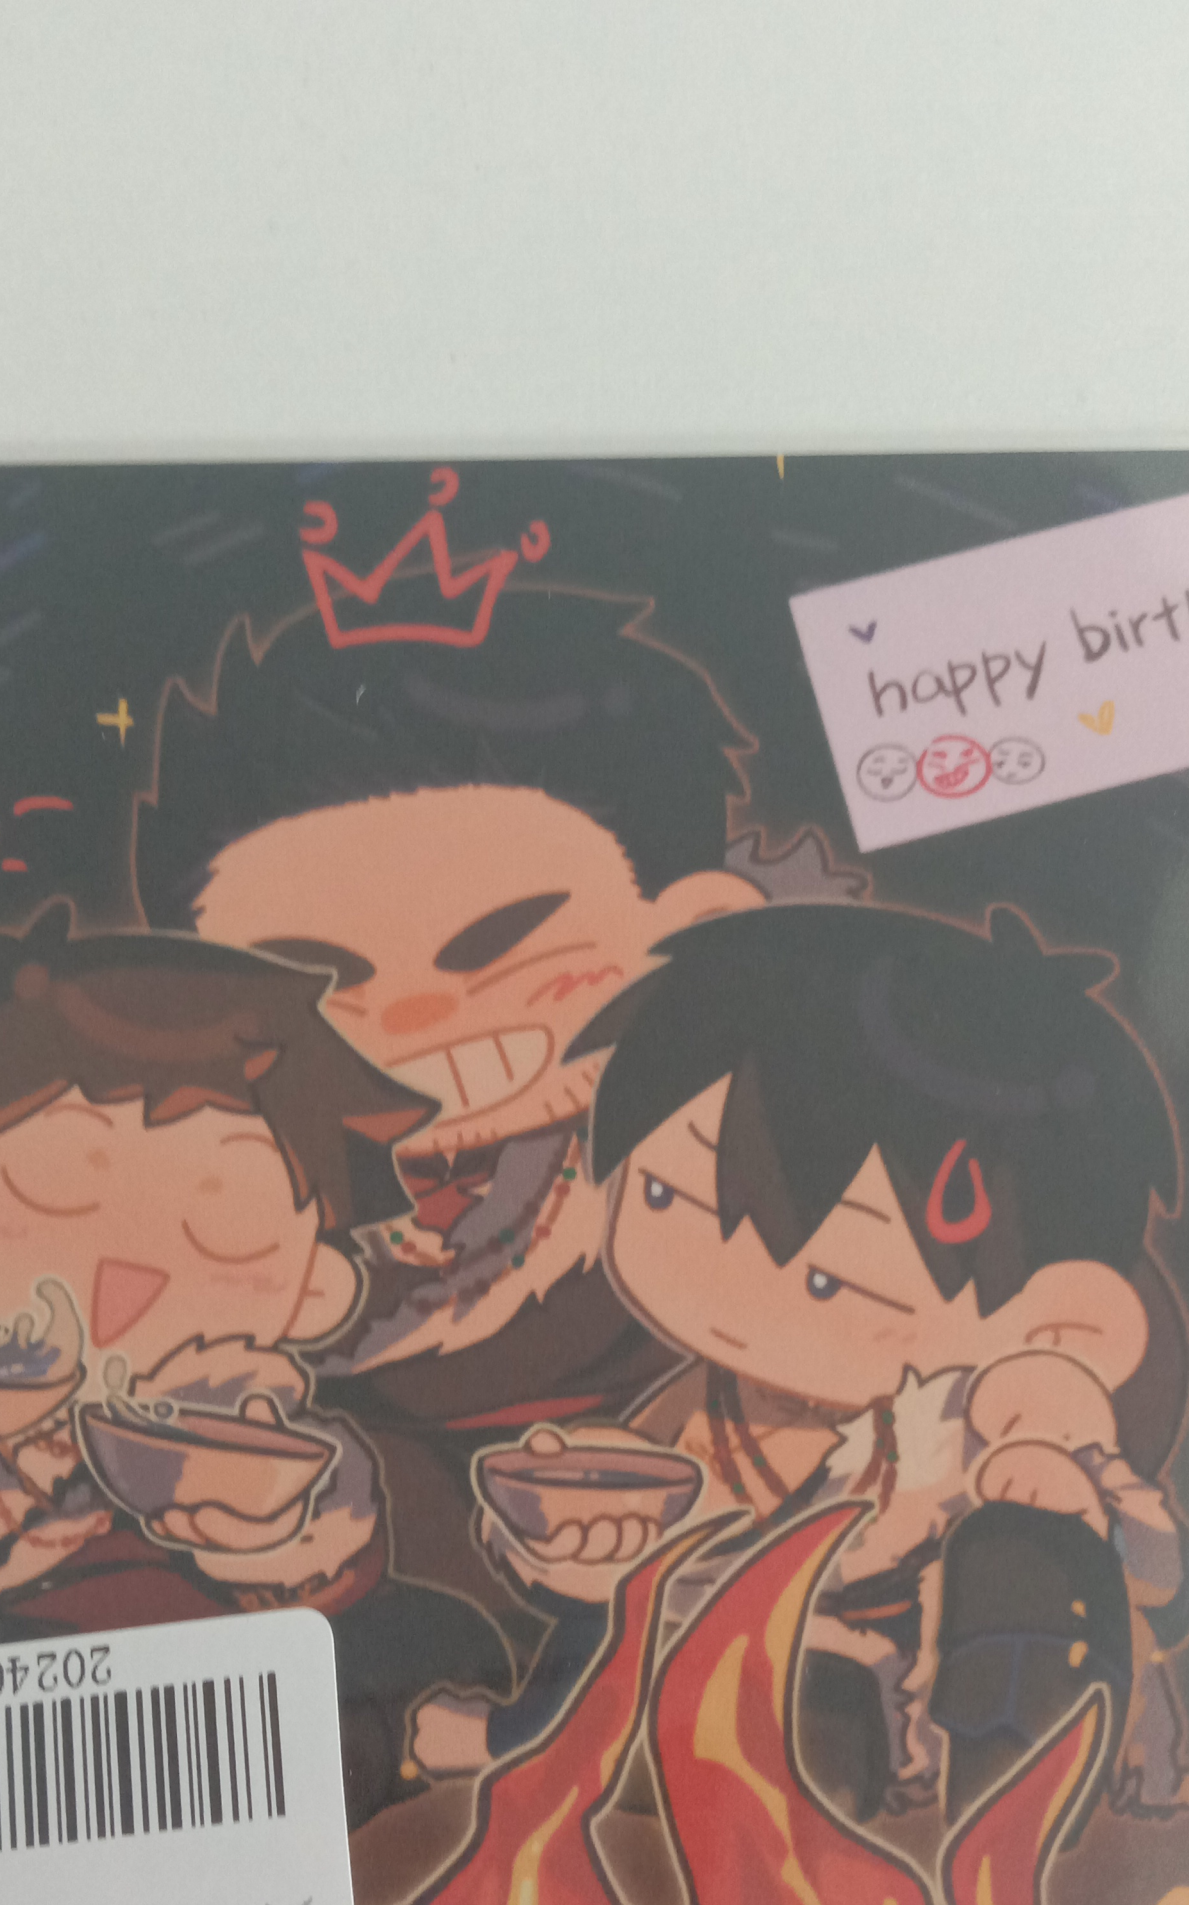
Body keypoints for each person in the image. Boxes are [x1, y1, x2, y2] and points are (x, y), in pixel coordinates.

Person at [134, 477, 770, 1649]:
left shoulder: (734, 1243)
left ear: (693, 937)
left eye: (502, 947)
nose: (414, 1017)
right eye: (318, 979)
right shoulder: (187, 1257)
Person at [439, 900, 1189, 1833]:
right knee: (613, 1637)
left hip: (880, 1695)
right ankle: (557, 1741)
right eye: (662, 1193)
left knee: (825, 1692)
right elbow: (646, 1547)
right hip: (692, 1658)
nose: (731, 1297)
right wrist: (572, 1548)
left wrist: (1061, 1495)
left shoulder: (971, 1420)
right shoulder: (704, 1405)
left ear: (1061, 1318)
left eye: (831, 1281)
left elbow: (1159, 1583)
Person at [0, 904, 512, 1835]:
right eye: (52, 1184)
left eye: (230, 1228)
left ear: (313, 1291)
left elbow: (348, 1619)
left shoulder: (250, 1445)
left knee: (434, 1645)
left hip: (198, 1800)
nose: (133, 1269)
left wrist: (281, 1556)